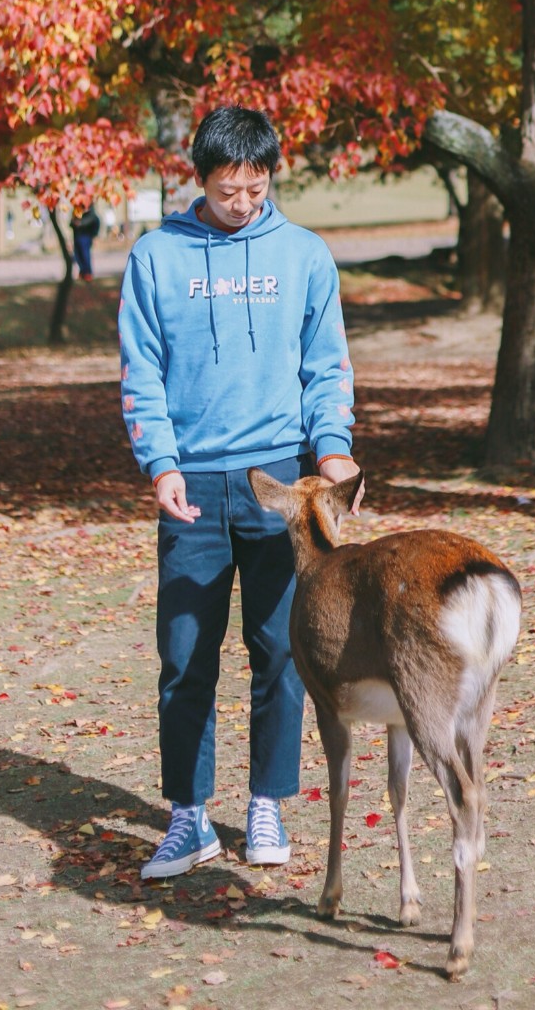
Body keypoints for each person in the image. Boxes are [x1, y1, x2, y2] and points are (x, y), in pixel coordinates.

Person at [118, 105, 359, 881]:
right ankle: (188, 819)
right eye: (229, 191)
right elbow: (142, 372)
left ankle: (266, 803)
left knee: (281, 651)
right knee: (185, 658)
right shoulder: (157, 257)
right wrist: (161, 464)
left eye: (257, 189)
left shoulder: (304, 256)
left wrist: (334, 450)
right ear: (202, 180)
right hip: (192, 489)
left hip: (280, 487)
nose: (245, 203)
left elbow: (326, 367)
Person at [72, 204, 100, 281]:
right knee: (77, 255)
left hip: (86, 236)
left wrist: (81, 224)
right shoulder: (77, 208)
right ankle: (82, 272)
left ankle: (88, 273)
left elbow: (94, 220)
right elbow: (72, 221)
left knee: (85, 255)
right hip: (77, 236)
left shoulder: (89, 208)